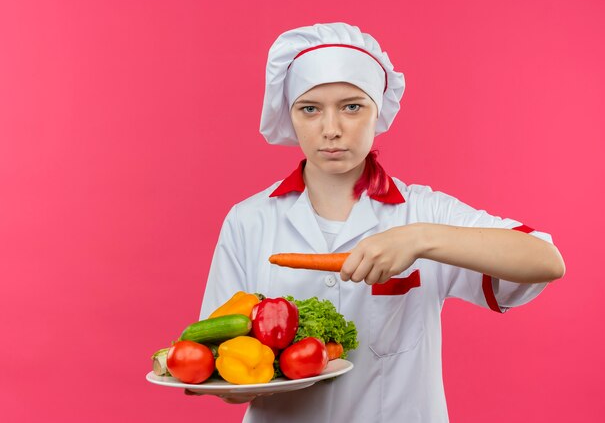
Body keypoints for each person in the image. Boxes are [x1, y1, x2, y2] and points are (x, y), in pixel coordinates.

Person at [192, 22, 565, 422]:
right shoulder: (248, 220)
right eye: (310, 109)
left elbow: (545, 260)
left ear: (378, 110)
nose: (331, 129)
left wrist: (420, 238)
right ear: (290, 115)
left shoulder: (423, 212)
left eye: (352, 106)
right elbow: (221, 366)